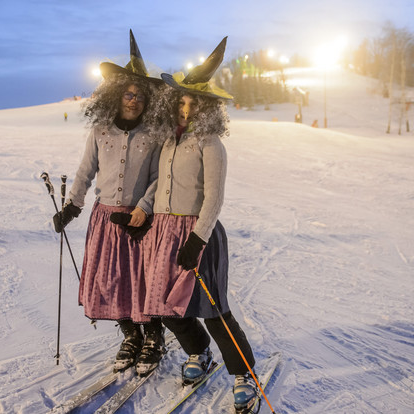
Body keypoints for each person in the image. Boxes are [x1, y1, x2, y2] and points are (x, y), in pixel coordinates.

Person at [142, 38, 261, 413]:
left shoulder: (210, 144)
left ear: (206, 108)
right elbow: (159, 185)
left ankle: (244, 376)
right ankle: (198, 352)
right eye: (180, 101)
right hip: (163, 233)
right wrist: (144, 210)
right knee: (164, 307)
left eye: (193, 103)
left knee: (212, 309)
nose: (185, 108)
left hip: (200, 235)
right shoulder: (169, 143)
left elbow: (214, 198)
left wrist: (197, 239)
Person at [53, 30, 173, 375]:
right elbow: (85, 170)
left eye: (139, 95)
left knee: (143, 280)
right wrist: (72, 207)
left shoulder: (154, 134)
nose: (133, 100)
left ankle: (153, 337)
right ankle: (130, 335)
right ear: (115, 96)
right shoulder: (101, 130)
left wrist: (145, 208)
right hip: (105, 217)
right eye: (127, 93)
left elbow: (158, 178)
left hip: (139, 219)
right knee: (113, 279)